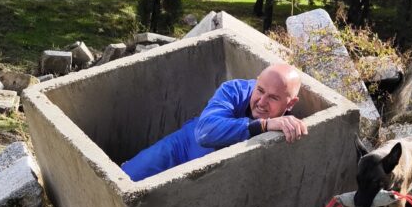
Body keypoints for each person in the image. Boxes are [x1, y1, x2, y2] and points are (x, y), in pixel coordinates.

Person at [121, 63, 308, 181]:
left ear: (290, 104)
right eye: (260, 90)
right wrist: (263, 125)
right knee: (128, 176)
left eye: (273, 98)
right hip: (183, 147)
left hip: (208, 176)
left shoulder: (289, 123)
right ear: (256, 81)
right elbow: (204, 132)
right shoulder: (234, 89)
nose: (261, 102)